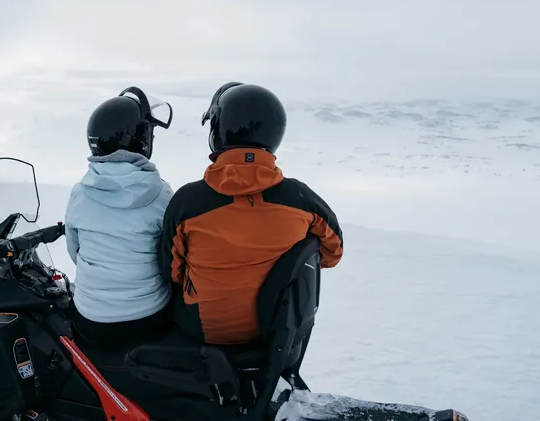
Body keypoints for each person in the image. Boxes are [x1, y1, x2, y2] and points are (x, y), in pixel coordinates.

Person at [158, 82, 344, 346]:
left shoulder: (187, 202)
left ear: (219, 131)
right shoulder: (302, 200)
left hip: (203, 331)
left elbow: (171, 271)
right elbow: (332, 252)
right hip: (275, 333)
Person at [65, 86, 175, 346]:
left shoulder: (79, 193)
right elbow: (170, 258)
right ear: (142, 140)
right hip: (149, 317)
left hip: (90, 319)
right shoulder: (162, 194)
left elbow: (74, 252)